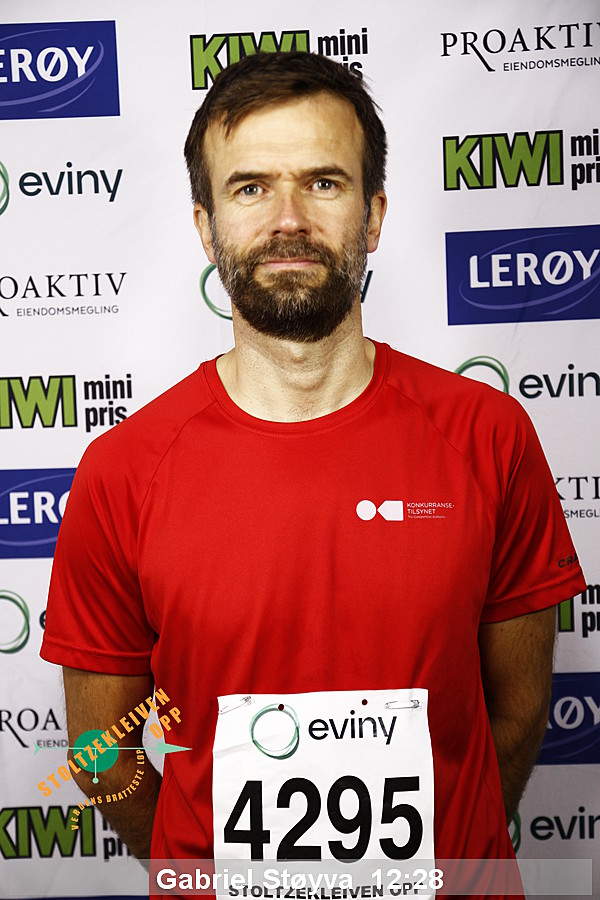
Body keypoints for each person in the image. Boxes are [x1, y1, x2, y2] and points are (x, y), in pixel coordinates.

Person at [41, 51, 585, 885]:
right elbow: (100, 747)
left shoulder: (489, 435)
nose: (287, 219)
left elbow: (516, 713)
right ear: (206, 226)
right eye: (250, 188)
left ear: (373, 216)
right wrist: (206, 872)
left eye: (323, 183)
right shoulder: (124, 470)